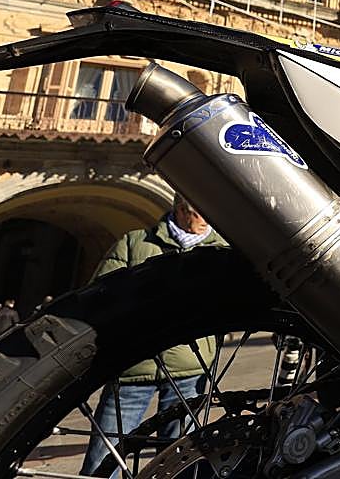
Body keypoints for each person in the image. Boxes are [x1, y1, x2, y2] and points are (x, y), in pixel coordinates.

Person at [80, 195, 227, 476]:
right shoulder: (136, 242)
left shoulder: (221, 248)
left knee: (181, 458)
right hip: (132, 367)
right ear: (181, 209)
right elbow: (100, 296)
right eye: (197, 213)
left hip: (189, 368)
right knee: (104, 454)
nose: (203, 221)